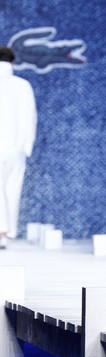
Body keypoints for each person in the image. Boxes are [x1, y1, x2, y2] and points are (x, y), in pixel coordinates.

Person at [0, 46, 37, 248]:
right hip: (16, 146)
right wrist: (27, 145)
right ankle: (6, 234)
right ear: (13, 62)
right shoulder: (23, 86)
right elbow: (30, 116)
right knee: (12, 189)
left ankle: (2, 231)